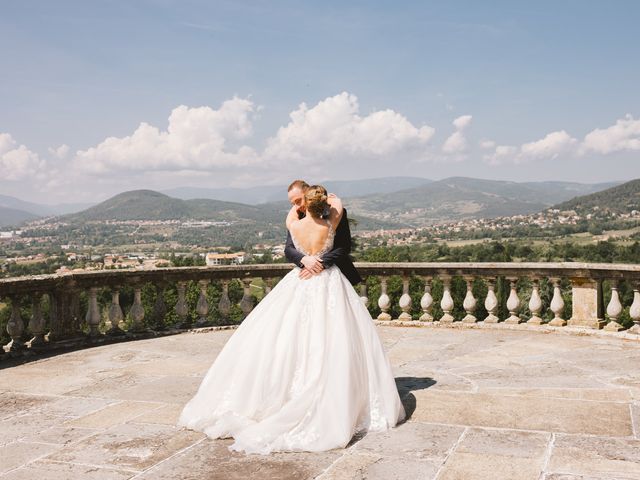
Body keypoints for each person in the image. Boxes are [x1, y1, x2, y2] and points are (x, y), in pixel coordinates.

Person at [177, 185, 405, 454]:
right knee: (301, 339)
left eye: (297, 200)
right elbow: (291, 248)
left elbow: (343, 248)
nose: (294, 204)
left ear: (304, 200)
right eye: (292, 202)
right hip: (316, 278)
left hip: (313, 277)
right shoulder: (329, 216)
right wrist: (306, 258)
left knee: (322, 338)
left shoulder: (296, 221)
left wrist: (316, 262)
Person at [285, 180, 362, 286]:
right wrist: (304, 260)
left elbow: (344, 246)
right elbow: (289, 249)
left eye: (298, 201)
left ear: (308, 193)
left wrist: (318, 265)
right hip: (304, 278)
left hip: (336, 277)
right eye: (293, 204)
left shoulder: (336, 212)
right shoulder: (297, 217)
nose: (296, 207)